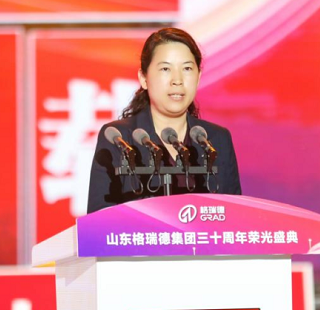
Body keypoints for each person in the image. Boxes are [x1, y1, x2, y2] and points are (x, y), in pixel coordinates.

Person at [87, 28, 242, 213]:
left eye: (187, 68)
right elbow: (99, 220)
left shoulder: (217, 139)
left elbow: (234, 217)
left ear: (198, 77)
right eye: (165, 69)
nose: (177, 80)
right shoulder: (119, 139)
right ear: (143, 78)